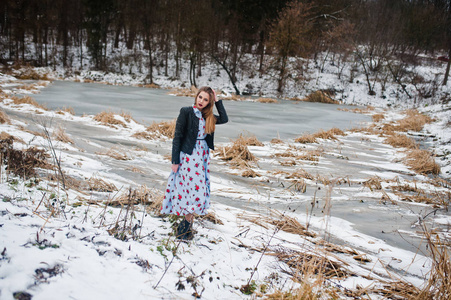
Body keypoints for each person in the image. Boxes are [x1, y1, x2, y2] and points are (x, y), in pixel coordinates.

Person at [161, 86, 228, 240]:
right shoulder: (186, 112)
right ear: (196, 96)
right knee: (191, 190)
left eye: (206, 100)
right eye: (200, 97)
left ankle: (186, 227)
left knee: (198, 190)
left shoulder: (209, 116)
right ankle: (185, 227)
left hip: (202, 155)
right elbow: (177, 137)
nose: (202, 101)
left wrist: (217, 101)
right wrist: (175, 160)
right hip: (189, 155)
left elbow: (224, 119)